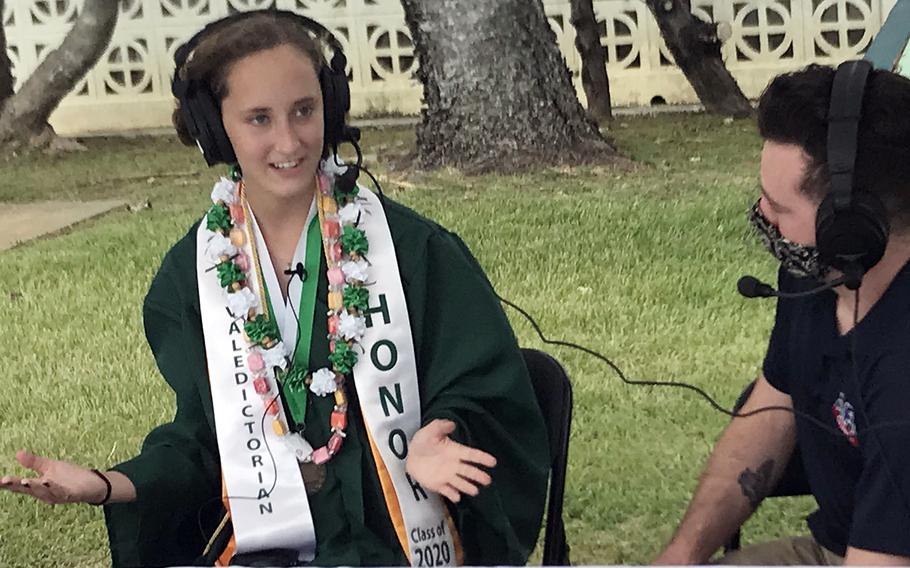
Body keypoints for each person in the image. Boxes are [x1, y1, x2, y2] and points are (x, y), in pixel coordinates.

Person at [0, 10, 549, 567]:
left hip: (395, 545)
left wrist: (441, 432)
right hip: (267, 549)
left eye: (304, 110)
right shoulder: (192, 277)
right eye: (259, 118)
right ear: (214, 129)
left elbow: (492, 388)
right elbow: (202, 444)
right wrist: (106, 484)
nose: (289, 140)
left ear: (330, 109)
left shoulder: (413, 252)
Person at [653, 62, 910, 566]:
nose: (762, 215)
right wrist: (680, 557)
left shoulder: (903, 364)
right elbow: (773, 410)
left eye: (779, 205)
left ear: (852, 225)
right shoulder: (819, 272)